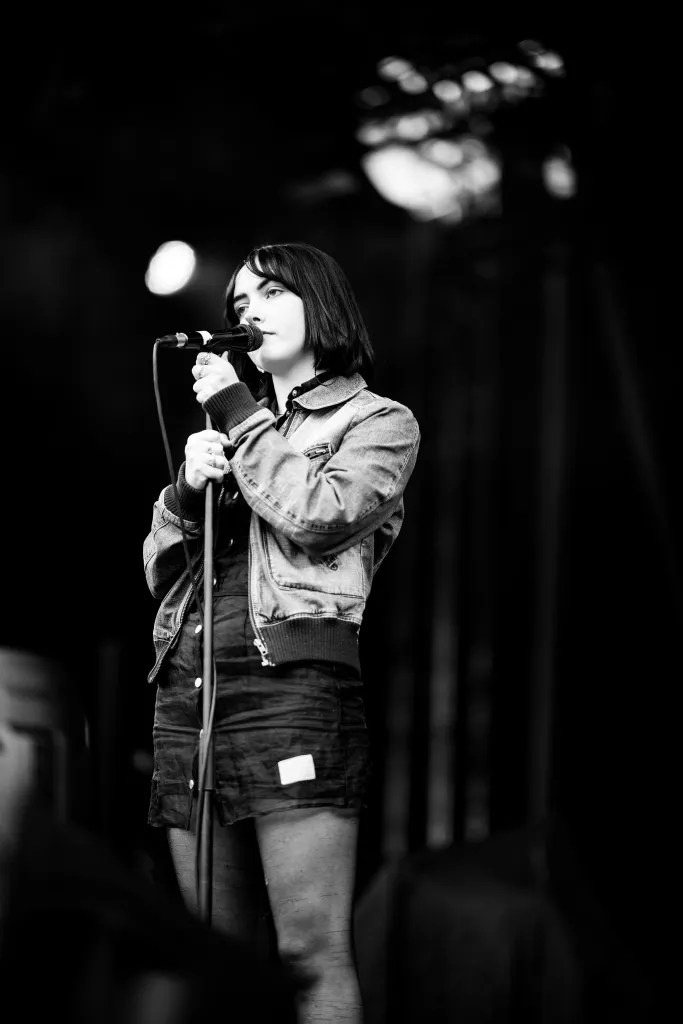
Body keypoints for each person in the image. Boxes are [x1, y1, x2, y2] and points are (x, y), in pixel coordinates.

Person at [143, 241, 420, 1023]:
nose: (248, 311)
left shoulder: (378, 421)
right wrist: (183, 491)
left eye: (269, 293)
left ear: (318, 302)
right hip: (193, 691)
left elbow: (321, 516)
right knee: (209, 958)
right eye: (239, 302)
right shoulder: (237, 428)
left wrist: (239, 415)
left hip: (291, 691)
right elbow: (162, 574)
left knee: (308, 952)